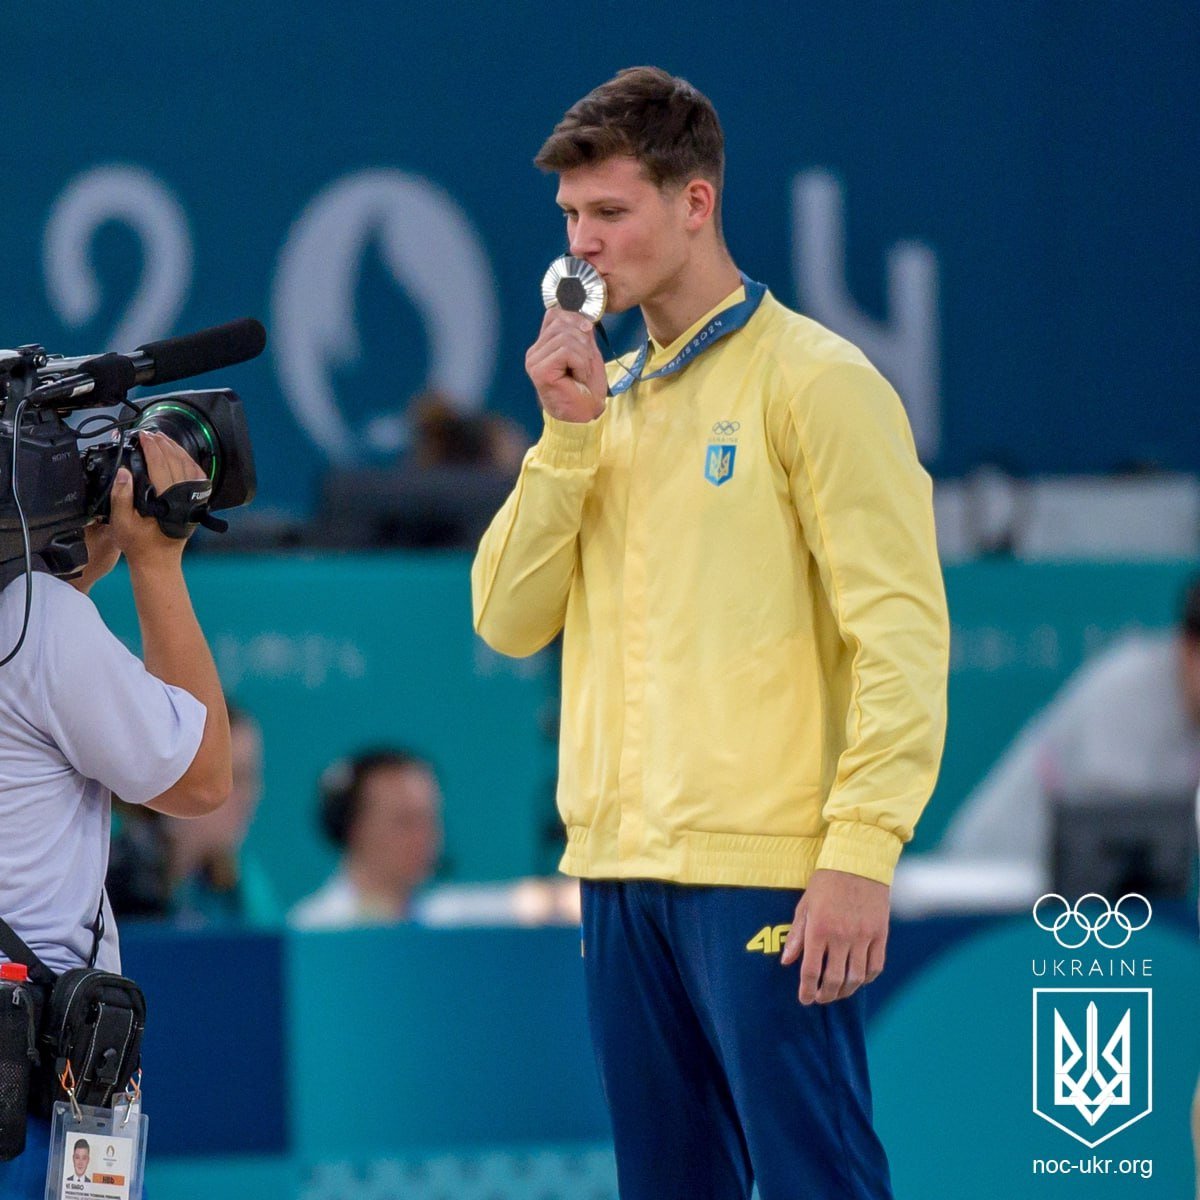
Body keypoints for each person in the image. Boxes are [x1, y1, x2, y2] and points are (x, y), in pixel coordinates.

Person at [471, 67, 948, 1200]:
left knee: (816, 1179)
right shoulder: (604, 404)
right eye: (571, 221)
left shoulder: (819, 385)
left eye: (611, 213)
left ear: (697, 203)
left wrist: (860, 854)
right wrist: (566, 438)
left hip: (766, 877)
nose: (583, 247)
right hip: (619, 877)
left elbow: (903, 640)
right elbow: (506, 617)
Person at [0, 433, 232, 1197]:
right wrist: (156, 562)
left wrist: (70, 581)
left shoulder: (38, 622)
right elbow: (198, 782)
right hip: (27, 1093)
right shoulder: (38, 626)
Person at [938, 576, 1200, 872]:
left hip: (1068, 897)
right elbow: (1118, 842)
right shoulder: (1124, 688)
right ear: (1189, 649)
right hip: (987, 877)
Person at [288, 748, 444, 930]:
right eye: (404, 821)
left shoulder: (458, 924)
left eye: (429, 818)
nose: (425, 836)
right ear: (354, 829)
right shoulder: (310, 929)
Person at [166, 701, 281, 927]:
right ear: (181, 776)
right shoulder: (119, 879)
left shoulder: (242, 885)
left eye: (252, 778)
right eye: (234, 778)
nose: (248, 798)